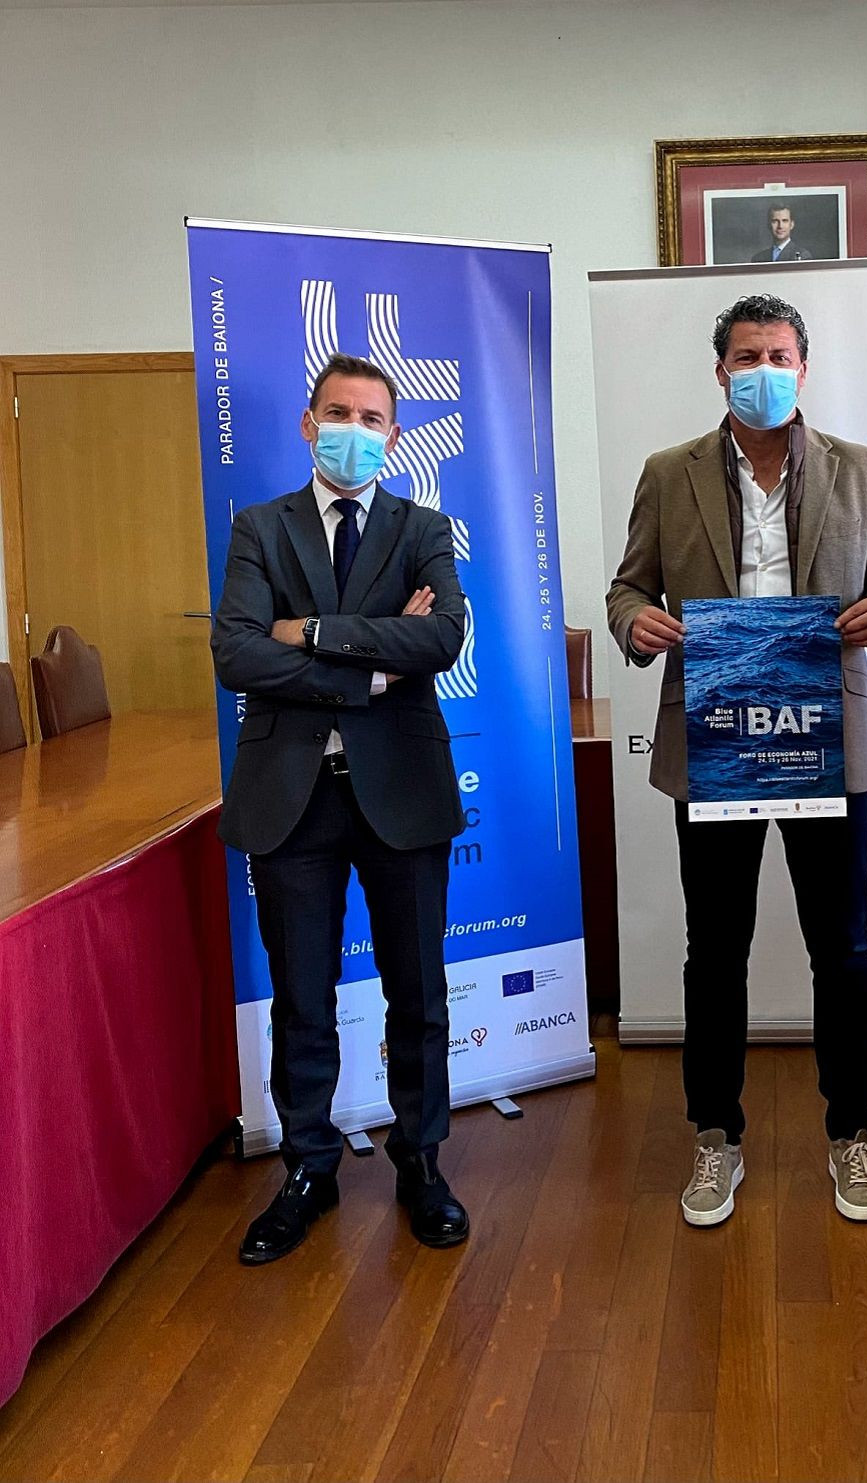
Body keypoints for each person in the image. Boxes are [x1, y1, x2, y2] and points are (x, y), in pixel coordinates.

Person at [607, 293, 867, 1228]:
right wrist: (635, 623)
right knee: (715, 951)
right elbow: (627, 586)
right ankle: (715, 1138)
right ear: (719, 370)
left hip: (824, 734)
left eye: (779, 354)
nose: (763, 369)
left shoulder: (858, 469)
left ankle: (849, 1131)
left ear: (804, 366)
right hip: (715, 736)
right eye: (747, 355)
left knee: (843, 947)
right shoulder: (670, 472)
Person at [212, 352, 471, 1264]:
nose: (352, 431)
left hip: (401, 790)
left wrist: (313, 634)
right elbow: (237, 653)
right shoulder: (259, 527)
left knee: (419, 992)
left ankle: (421, 1162)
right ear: (306, 422)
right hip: (289, 797)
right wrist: (370, 665)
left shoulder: (423, 526)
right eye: (337, 413)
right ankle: (308, 1169)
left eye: (370, 418)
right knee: (302, 997)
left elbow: (441, 635)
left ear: (393, 436)